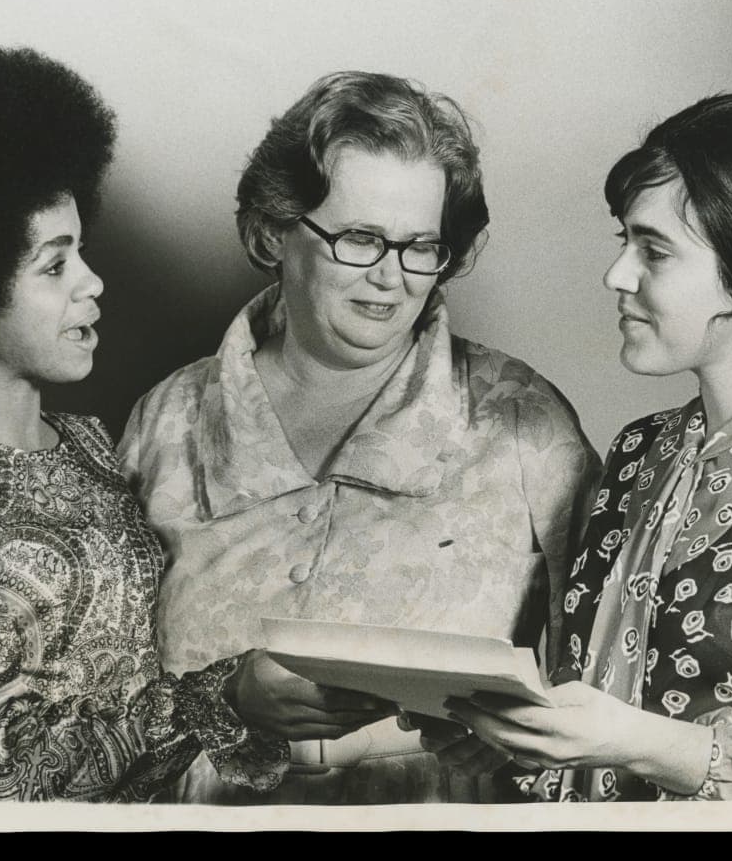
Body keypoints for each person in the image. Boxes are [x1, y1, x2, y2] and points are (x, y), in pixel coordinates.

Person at [0, 46, 287, 801]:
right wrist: (222, 698)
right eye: (54, 265)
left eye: (83, 252)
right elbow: (8, 775)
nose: (93, 283)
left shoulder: (92, 443)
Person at [118, 70, 600, 804]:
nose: (391, 277)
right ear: (275, 230)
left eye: (420, 247)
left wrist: (509, 742)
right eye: (360, 238)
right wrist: (226, 703)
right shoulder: (169, 419)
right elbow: (91, 712)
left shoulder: (522, 421)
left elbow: (602, 701)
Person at [439, 93, 732, 800]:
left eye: (653, 249)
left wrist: (639, 741)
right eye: (623, 241)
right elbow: (598, 723)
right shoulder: (639, 452)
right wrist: (517, 738)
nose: (617, 276)